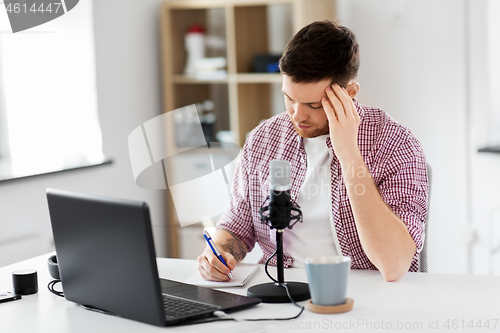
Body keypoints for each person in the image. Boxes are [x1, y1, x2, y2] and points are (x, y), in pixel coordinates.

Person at [197, 20, 429, 282]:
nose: (297, 114)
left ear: (349, 93)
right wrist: (217, 254)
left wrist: (348, 153)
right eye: (289, 98)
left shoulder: (395, 142)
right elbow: (236, 225)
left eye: (313, 105)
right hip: (282, 288)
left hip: (365, 292)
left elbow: (394, 264)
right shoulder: (264, 138)